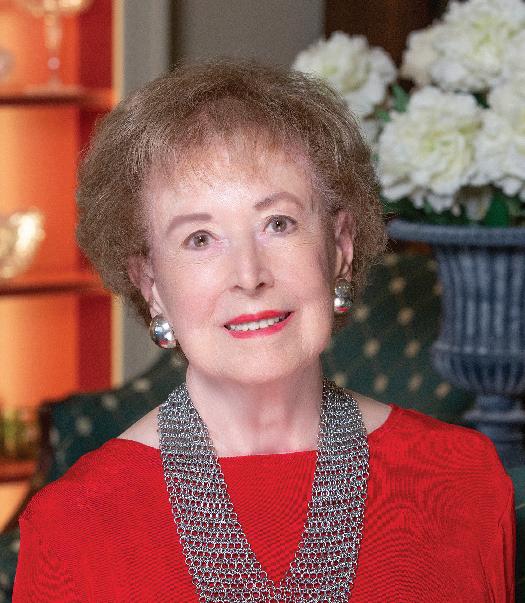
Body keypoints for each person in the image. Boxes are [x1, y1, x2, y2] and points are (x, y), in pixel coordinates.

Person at [13, 60, 514, 602]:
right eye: (200, 239)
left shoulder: (464, 479)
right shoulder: (74, 523)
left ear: (339, 248)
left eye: (278, 223)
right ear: (151, 283)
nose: (249, 276)